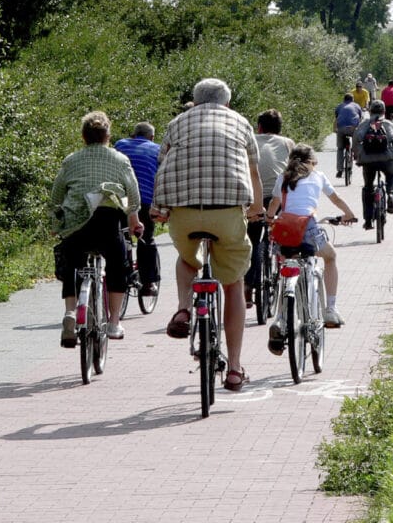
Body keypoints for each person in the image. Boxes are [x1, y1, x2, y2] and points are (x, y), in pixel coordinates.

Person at [150, 78, 264, 392]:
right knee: (234, 283)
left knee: (188, 260)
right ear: (226, 102)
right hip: (227, 211)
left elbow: (164, 164)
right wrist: (255, 209)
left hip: (184, 210)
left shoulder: (177, 122)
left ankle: (185, 308)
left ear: (196, 101)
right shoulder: (239, 122)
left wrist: (160, 206)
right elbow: (253, 171)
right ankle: (235, 369)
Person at [50, 111, 144, 346]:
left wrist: (56, 223)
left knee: (71, 264)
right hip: (107, 222)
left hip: (76, 224)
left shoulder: (71, 160)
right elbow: (133, 196)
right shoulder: (119, 159)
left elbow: (56, 195)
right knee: (118, 265)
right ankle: (113, 322)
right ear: (108, 136)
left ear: (83, 136)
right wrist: (134, 221)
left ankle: (70, 312)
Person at [265, 144, 357, 348]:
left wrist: (269, 219)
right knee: (330, 256)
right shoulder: (318, 176)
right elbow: (336, 198)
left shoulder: (284, 177)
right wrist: (349, 214)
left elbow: (274, 204)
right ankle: (330, 309)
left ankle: (280, 317)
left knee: (285, 268)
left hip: (286, 230)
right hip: (308, 227)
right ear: (312, 162)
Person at [245, 109, 295, 307]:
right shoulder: (287, 143)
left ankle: (248, 287)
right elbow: (293, 170)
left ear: (259, 127)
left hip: (252, 198)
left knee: (252, 241)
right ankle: (287, 274)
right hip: (279, 197)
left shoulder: (249, 140)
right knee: (283, 235)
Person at [114, 122, 162, 296]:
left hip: (120, 199)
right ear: (152, 137)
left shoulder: (120, 144)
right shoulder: (157, 150)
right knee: (146, 238)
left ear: (133, 135)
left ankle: (123, 275)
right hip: (145, 200)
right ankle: (148, 283)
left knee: (122, 238)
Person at [353, 100, 393, 230]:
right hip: (387, 159)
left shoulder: (365, 124)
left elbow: (356, 139)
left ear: (370, 111)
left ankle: (368, 220)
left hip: (368, 161)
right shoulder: (388, 124)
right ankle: (391, 193)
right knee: (392, 176)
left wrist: (358, 156)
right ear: (384, 111)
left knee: (368, 188)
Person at [333, 93, 363, 177]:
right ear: (352, 99)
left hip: (341, 129)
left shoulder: (339, 106)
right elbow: (360, 118)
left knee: (340, 148)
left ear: (344, 99)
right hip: (353, 128)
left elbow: (336, 118)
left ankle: (339, 169)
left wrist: (335, 129)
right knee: (357, 143)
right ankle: (356, 156)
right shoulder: (356, 106)